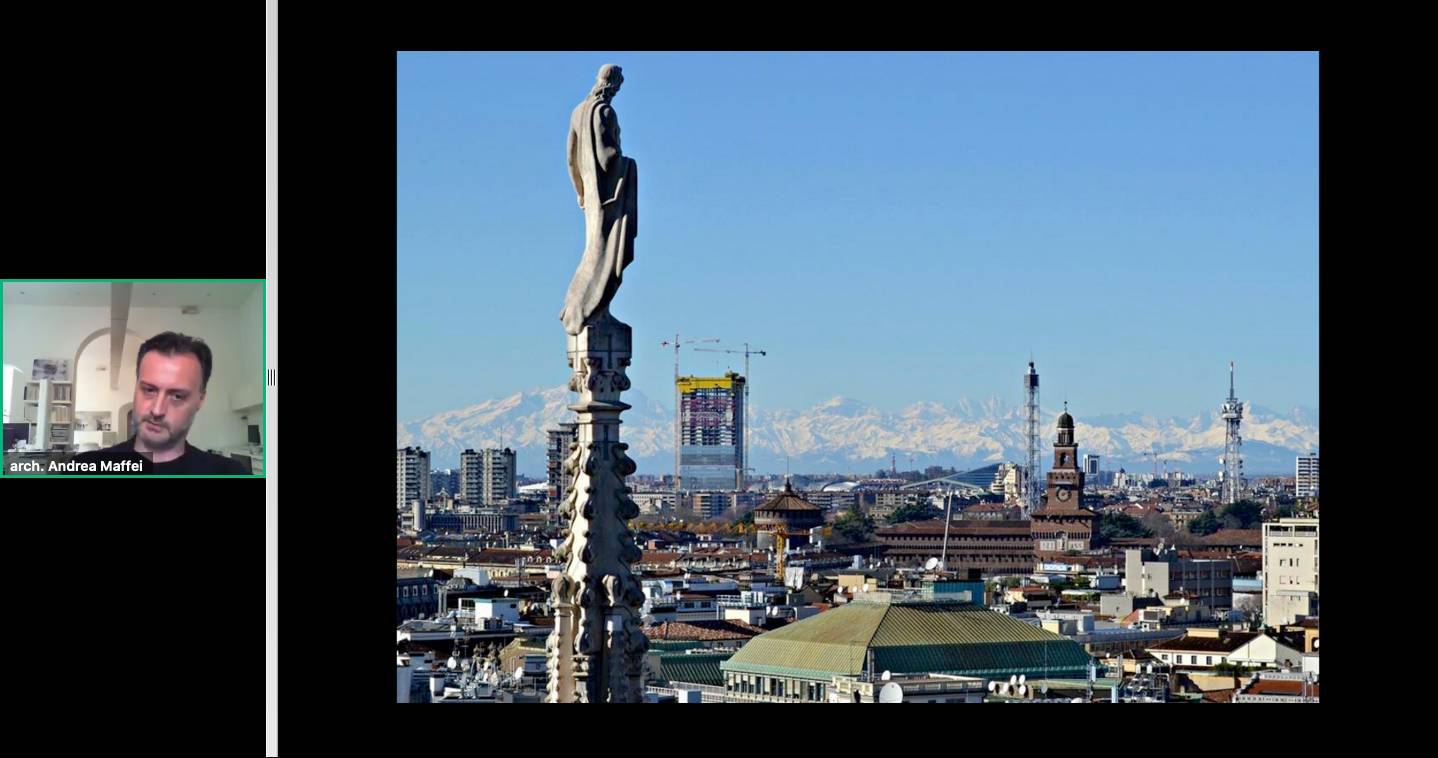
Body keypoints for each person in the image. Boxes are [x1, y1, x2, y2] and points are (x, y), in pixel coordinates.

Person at [71, 331, 250, 474]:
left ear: (200, 399)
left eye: (177, 396)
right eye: (149, 390)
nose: (157, 410)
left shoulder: (229, 472)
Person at [560, 64, 638, 336]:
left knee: (592, 250)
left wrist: (580, 190)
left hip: (591, 197)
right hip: (609, 197)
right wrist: (629, 165)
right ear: (613, 83)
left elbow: (571, 158)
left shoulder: (578, 112)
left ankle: (577, 306)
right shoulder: (604, 111)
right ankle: (591, 309)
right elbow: (608, 158)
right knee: (606, 255)